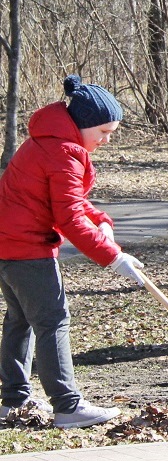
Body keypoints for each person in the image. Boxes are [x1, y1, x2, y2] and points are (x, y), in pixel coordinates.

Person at [0, 75, 144, 429]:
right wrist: (113, 257)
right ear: (84, 124)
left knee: (21, 320)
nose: (106, 140)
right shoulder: (64, 153)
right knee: (52, 321)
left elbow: (69, 202)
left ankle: (13, 401)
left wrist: (101, 220)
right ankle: (68, 406)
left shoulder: (48, 142)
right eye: (104, 132)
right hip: (26, 248)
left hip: (8, 245)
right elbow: (67, 217)